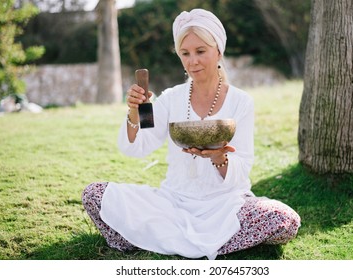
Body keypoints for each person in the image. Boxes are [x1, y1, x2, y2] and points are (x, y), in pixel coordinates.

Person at [82, 8, 300, 260]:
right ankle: (193, 242)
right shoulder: (168, 99)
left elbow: (244, 165)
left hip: (225, 205)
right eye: (185, 53)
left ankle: (162, 239)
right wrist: (134, 112)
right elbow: (138, 147)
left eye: (200, 51)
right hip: (174, 202)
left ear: (218, 50)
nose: (192, 61)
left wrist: (220, 157)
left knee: (284, 219)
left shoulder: (241, 101)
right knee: (95, 194)